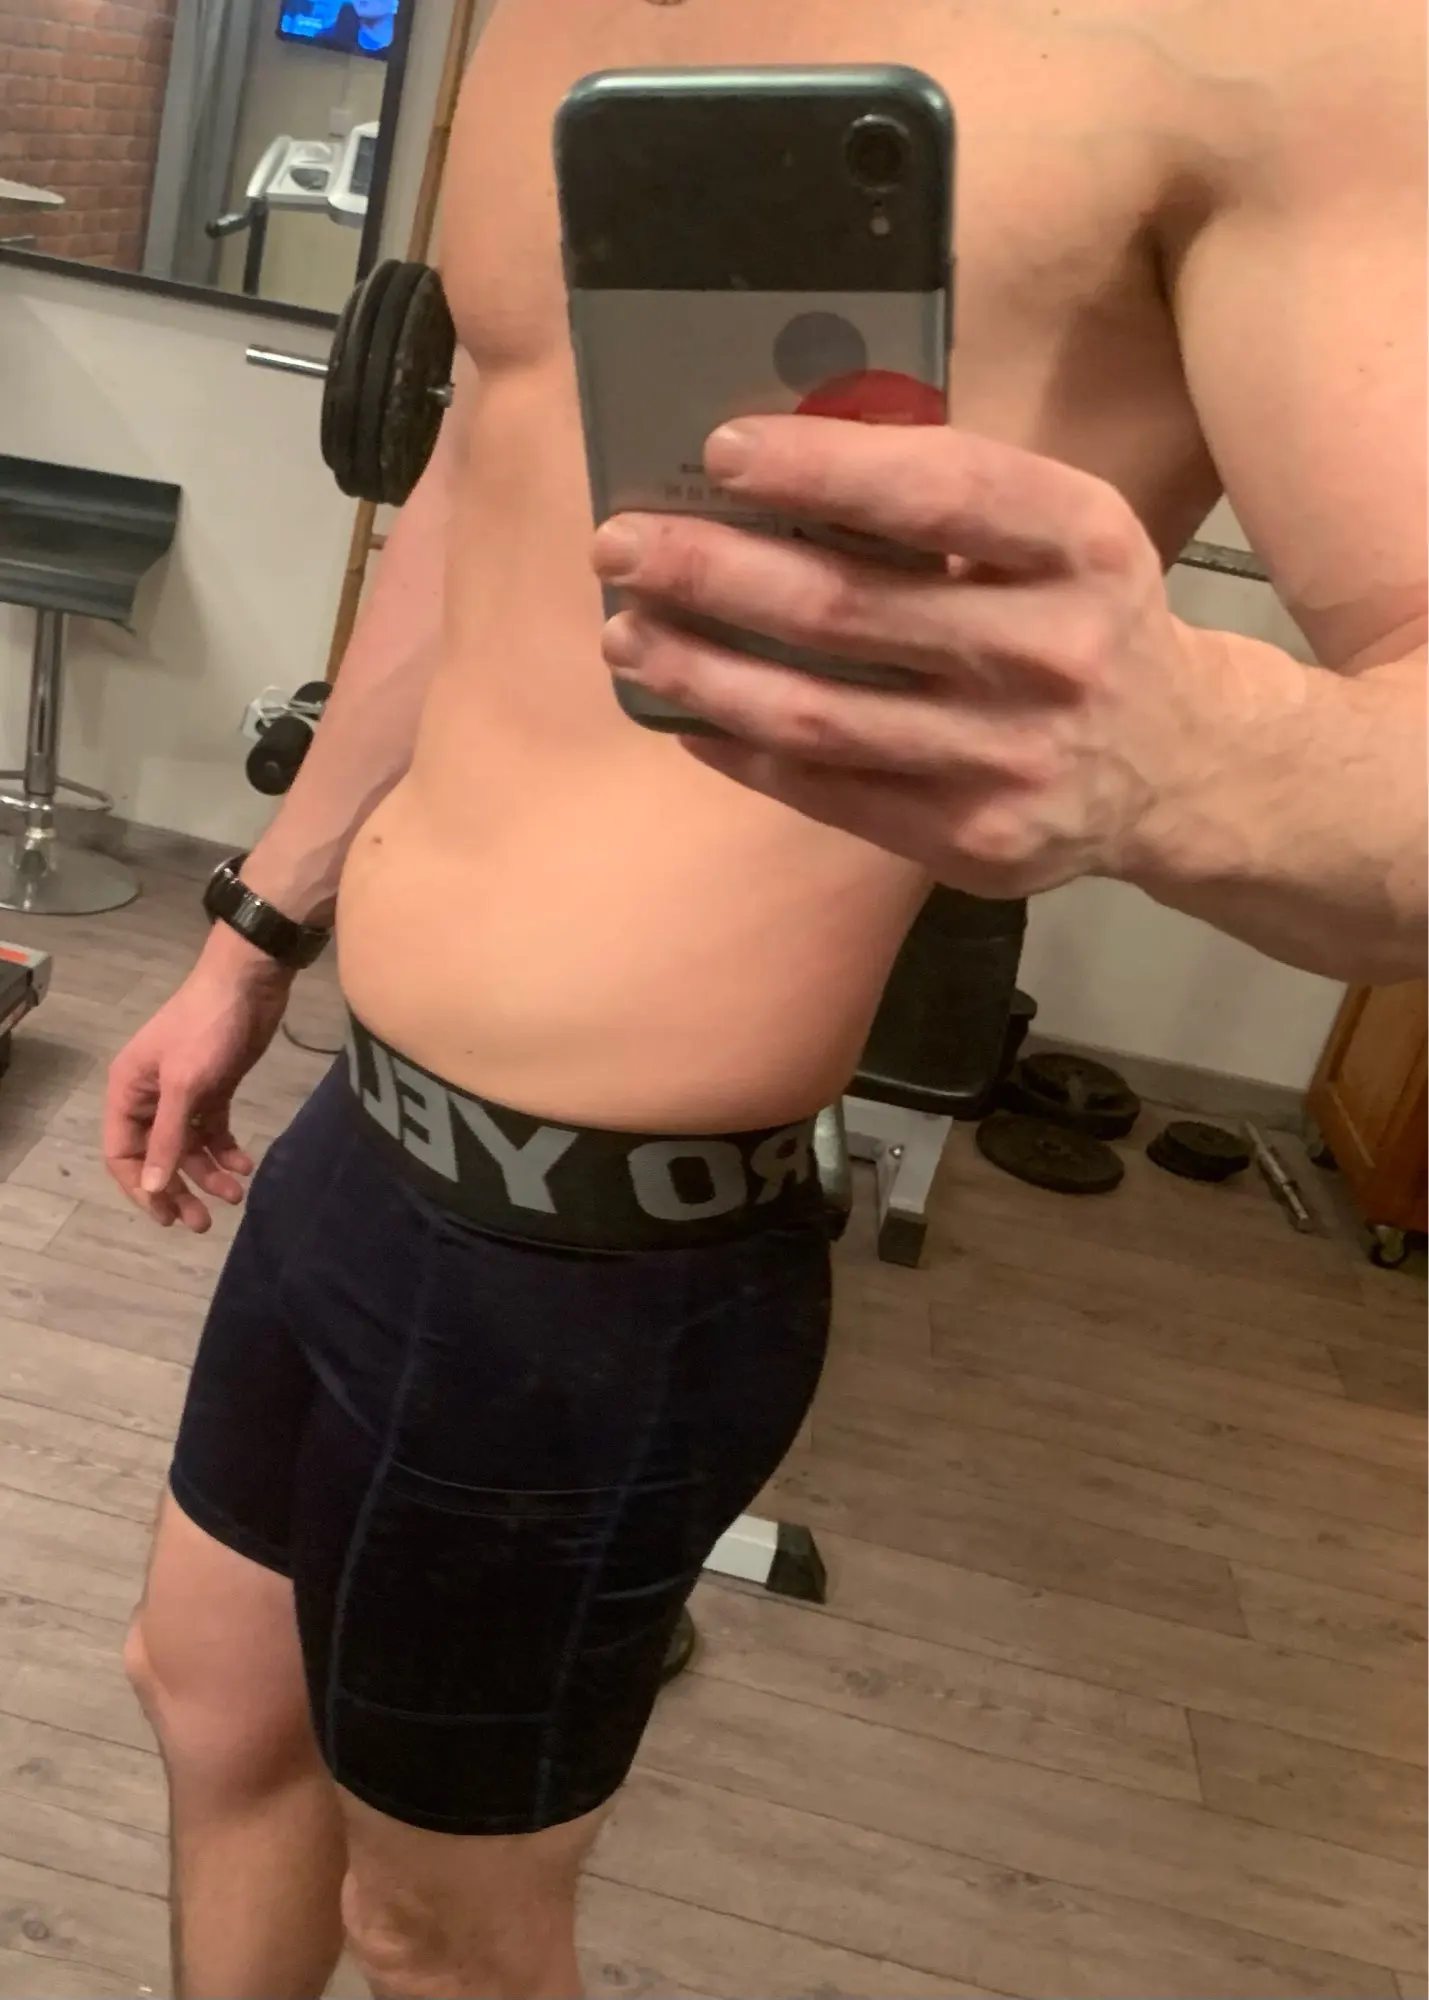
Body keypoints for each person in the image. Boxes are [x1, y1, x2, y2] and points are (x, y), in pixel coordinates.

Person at [106, 1, 1424, 1996]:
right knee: (209, 1700)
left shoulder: (1287, 43)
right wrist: (252, 928)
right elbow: (492, 473)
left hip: (602, 1267)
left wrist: (1191, 754)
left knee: (438, 1931)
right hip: (356, 1130)